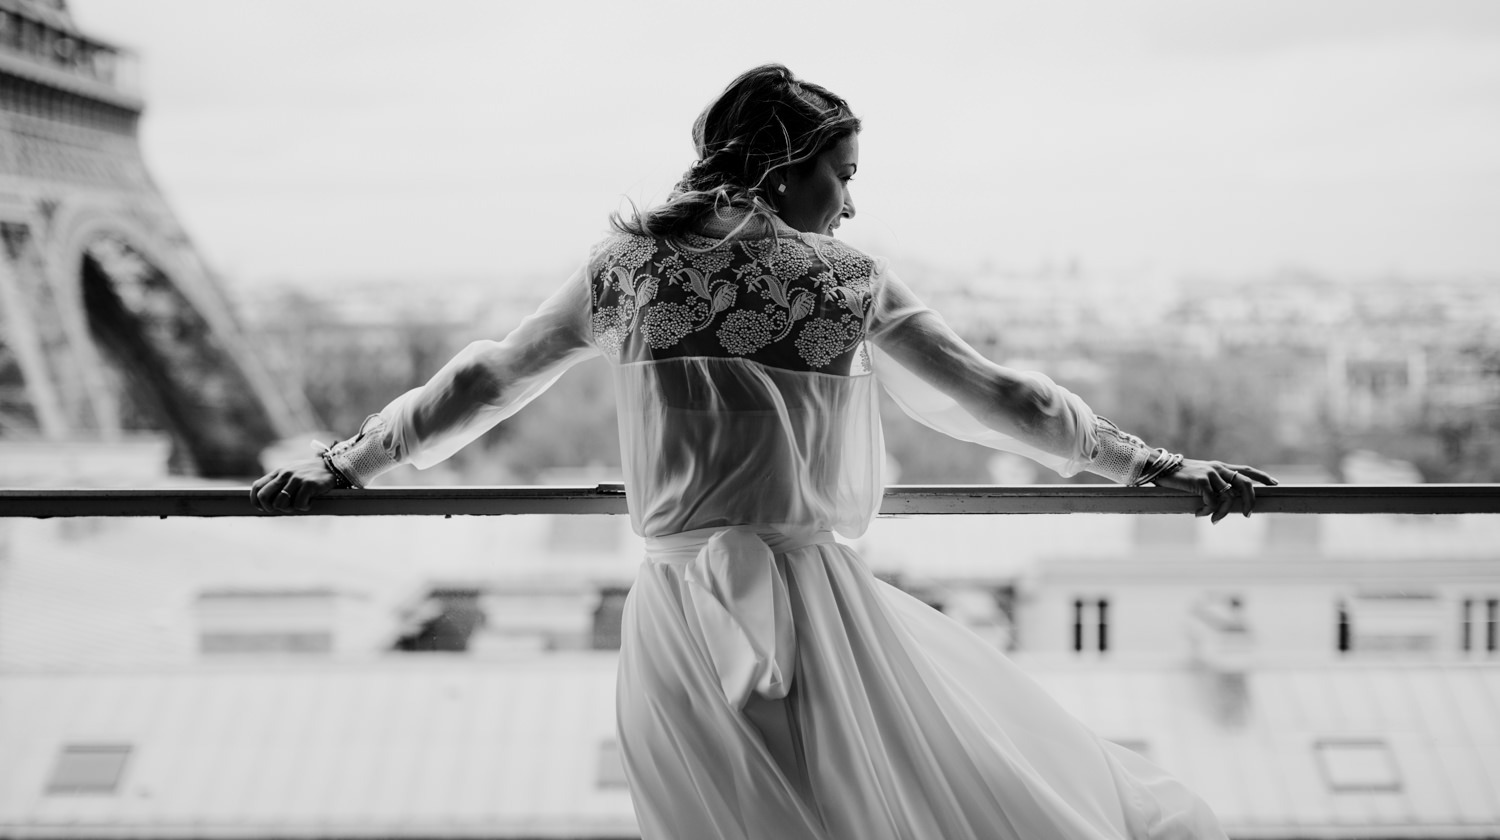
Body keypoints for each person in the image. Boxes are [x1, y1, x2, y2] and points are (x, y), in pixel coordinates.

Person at [253, 63, 1276, 839]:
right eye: (842, 175)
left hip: (676, 618)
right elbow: (999, 398)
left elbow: (486, 381)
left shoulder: (628, 272)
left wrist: (348, 463)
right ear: (783, 170)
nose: (851, 201)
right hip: (820, 606)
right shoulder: (843, 280)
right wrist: (1151, 465)